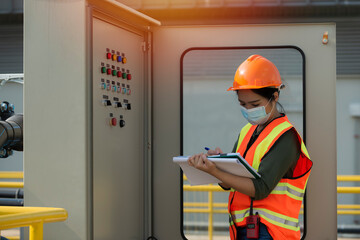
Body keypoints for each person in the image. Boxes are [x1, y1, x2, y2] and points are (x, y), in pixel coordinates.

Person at [188, 55, 313, 240]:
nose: (248, 109)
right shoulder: (247, 131)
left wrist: (216, 171)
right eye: (242, 104)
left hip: (270, 233)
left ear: (275, 96)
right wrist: (217, 165)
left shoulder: (286, 136)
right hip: (244, 229)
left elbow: (260, 188)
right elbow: (230, 183)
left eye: (254, 104)